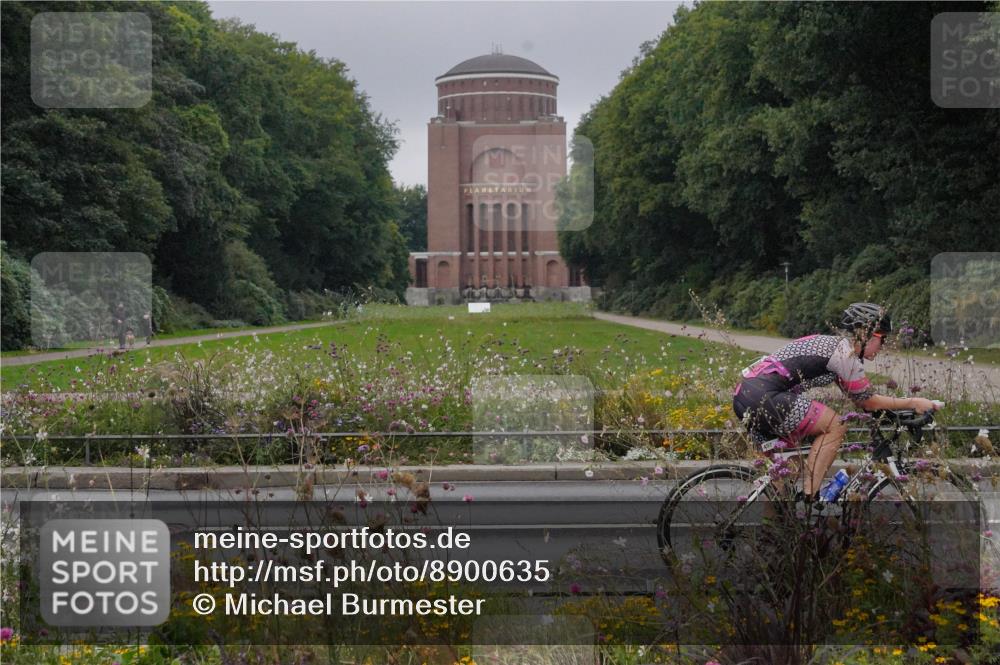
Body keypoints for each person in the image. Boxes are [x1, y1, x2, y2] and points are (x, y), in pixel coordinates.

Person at [732, 302, 939, 500]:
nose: (883, 346)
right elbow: (869, 402)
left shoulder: (836, 348)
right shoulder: (844, 353)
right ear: (864, 334)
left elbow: (860, 399)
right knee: (836, 425)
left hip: (746, 394)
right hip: (763, 395)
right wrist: (914, 402)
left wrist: (893, 410)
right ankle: (810, 501)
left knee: (789, 471)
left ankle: (776, 523)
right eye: (882, 338)